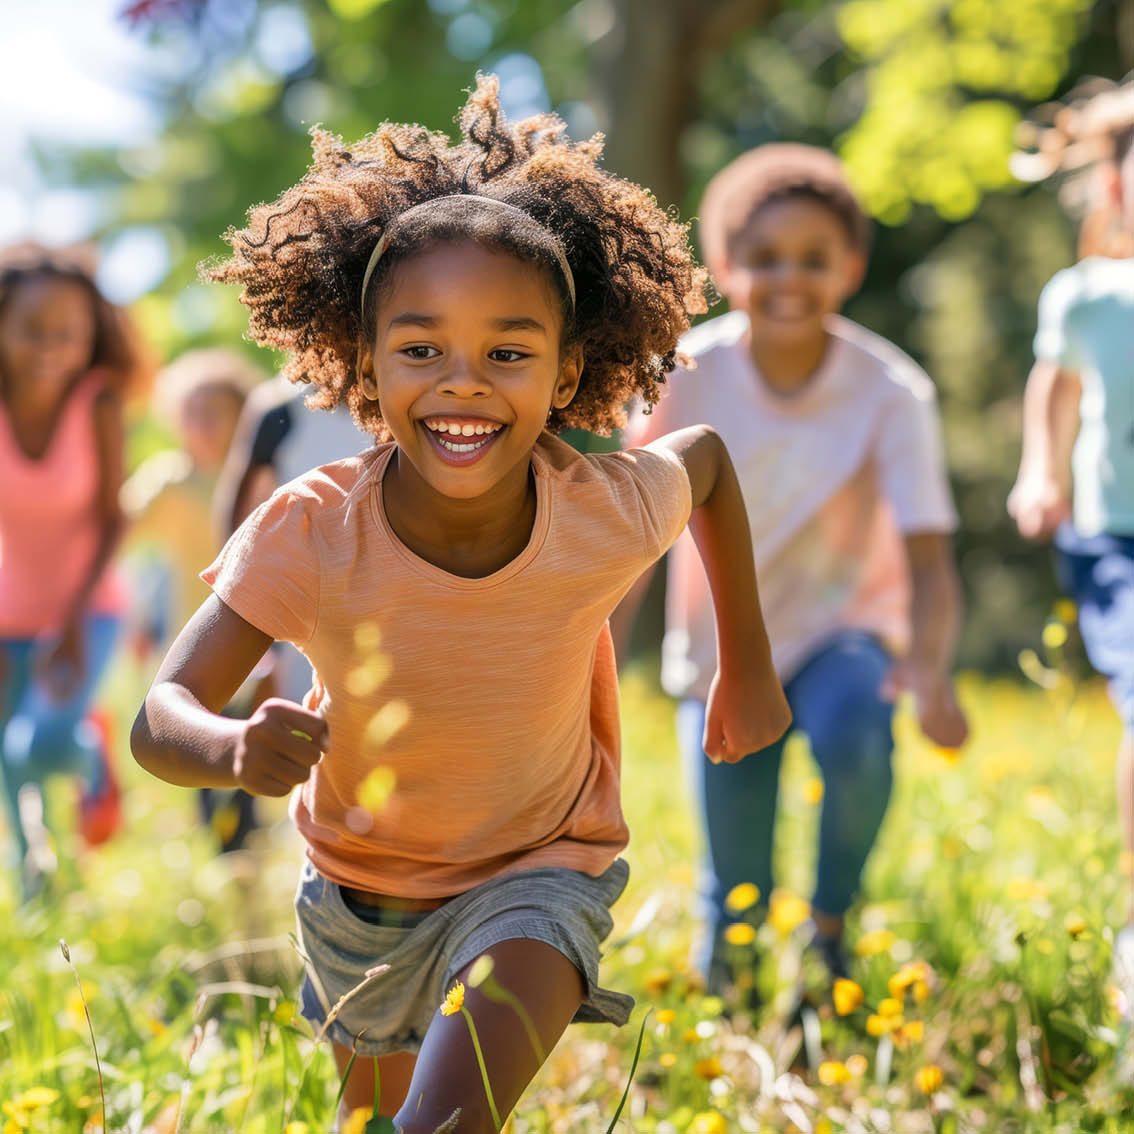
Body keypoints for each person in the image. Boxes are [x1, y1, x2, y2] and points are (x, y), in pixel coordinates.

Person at [130, 76, 790, 1132]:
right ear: (365, 360)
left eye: (510, 353)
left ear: (570, 367)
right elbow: (159, 714)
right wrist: (228, 748)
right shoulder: (313, 529)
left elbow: (703, 462)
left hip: (541, 875)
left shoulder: (600, 509)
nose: (464, 383)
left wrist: (744, 663)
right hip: (359, 900)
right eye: (422, 349)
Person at [618, 143, 969, 992]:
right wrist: (587, 657)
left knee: (857, 738)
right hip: (719, 648)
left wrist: (930, 672)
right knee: (733, 891)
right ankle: (731, 979)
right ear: (727, 266)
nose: (789, 279)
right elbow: (627, 534)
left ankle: (831, 924)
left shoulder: (891, 388)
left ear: (849, 267)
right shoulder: (683, 374)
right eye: (765, 257)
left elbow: (929, 551)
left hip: (841, 631)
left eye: (814, 259)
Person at [1007, 80, 1134, 1014]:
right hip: (1115, 534)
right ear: (1116, 189)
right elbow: (1053, 389)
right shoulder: (1088, 294)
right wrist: (1040, 472)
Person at [0, 244, 145, 898]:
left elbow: (116, 517)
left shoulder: (98, 405)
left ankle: (92, 754)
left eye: (70, 330)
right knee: (10, 767)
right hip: (8, 609)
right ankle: (42, 893)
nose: (51, 344)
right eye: (33, 326)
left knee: (40, 747)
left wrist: (75, 618)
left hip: (90, 607)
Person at [121, 347, 265, 852]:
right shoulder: (170, 480)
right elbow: (119, 530)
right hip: (194, 640)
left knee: (260, 749)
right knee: (206, 752)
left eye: (213, 412)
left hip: (266, 637)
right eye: (189, 414)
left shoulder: (262, 477)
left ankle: (256, 845)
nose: (200, 425)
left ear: (242, 417)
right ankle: (229, 854)